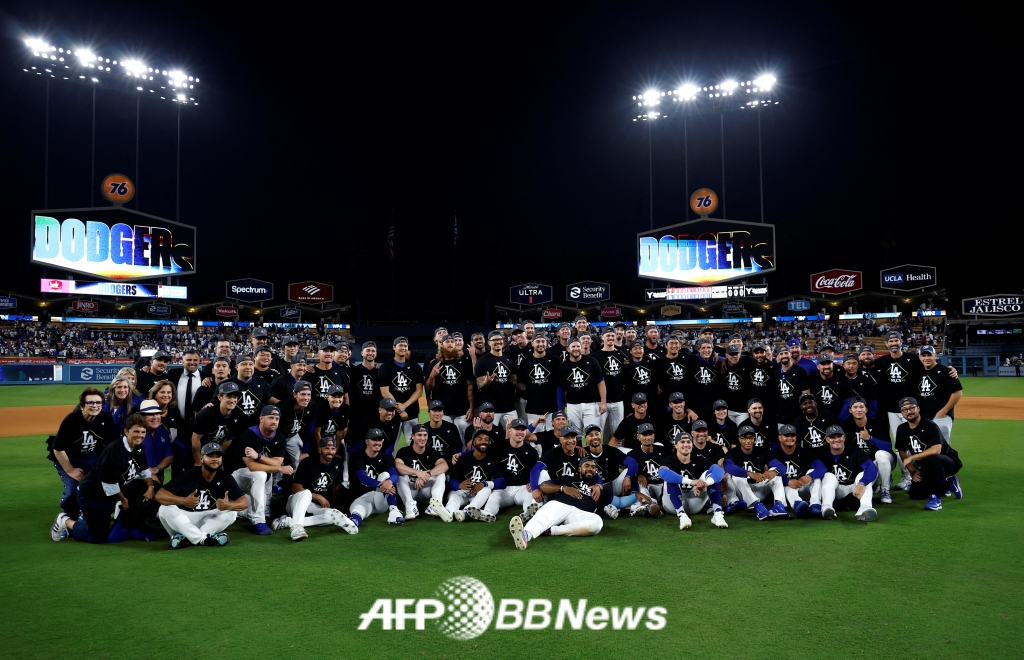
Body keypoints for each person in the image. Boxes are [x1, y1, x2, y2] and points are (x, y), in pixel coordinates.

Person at [53, 414, 155, 544]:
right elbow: (109, 483)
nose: (140, 435)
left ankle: (129, 521)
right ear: (126, 431)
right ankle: (66, 521)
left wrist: (150, 487)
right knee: (99, 537)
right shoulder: (114, 450)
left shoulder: (138, 446)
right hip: (93, 495)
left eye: (142, 432)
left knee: (149, 486)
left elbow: (144, 471)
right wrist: (124, 500)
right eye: (136, 431)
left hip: (111, 492)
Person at [155, 442, 248, 548]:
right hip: (184, 518)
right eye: (210, 456)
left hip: (208, 520)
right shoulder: (187, 475)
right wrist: (183, 501)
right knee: (164, 509)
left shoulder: (226, 478)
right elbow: (159, 495)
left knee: (232, 512)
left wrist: (229, 506)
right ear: (201, 459)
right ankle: (203, 538)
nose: (215, 459)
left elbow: (244, 502)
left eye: (218, 456)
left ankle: (187, 538)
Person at [51, 387, 117, 524]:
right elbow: (57, 448)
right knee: (72, 490)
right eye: (90, 403)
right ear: (82, 406)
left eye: (98, 403)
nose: (95, 406)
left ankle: (94, 513)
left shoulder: (105, 418)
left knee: (103, 484)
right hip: (69, 458)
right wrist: (70, 470)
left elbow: (112, 444)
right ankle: (67, 518)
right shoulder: (72, 420)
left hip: (92, 457)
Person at [271, 437, 359, 540]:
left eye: (333, 449)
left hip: (315, 507)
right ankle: (297, 527)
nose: (330, 452)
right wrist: (317, 496)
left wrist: (334, 505)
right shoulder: (307, 463)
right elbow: (295, 488)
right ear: (319, 449)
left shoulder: (338, 464)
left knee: (331, 516)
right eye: (326, 448)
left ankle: (287, 522)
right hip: (296, 503)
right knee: (307, 493)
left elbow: (336, 487)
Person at [509, 454, 603, 549]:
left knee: (597, 522)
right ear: (579, 469)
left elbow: (618, 502)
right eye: (587, 465)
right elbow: (543, 486)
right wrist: (562, 488)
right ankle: (525, 535)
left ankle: (551, 531)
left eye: (593, 467)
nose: (590, 468)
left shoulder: (599, 490)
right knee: (543, 517)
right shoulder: (568, 479)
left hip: (580, 514)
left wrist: (599, 486)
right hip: (560, 504)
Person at [228, 404, 294, 535]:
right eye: (270, 418)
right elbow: (252, 467)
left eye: (276, 419)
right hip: (239, 478)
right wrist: (279, 468)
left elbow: (277, 462)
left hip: (260, 482)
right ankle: (259, 521)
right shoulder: (249, 435)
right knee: (261, 474)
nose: (274, 421)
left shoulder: (279, 437)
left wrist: (258, 456)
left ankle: (235, 509)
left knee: (260, 503)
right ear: (261, 418)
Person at [894, 397, 963, 510]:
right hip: (927, 466)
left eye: (912, 408)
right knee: (915, 494)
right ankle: (949, 484)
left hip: (948, 462)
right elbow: (901, 450)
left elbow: (936, 450)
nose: (909, 411)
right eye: (905, 409)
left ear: (918, 408)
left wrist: (912, 458)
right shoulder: (902, 429)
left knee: (933, 458)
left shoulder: (929, 425)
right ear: (902, 413)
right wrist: (913, 472)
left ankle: (935, 499)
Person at [658, 432, 728, 529]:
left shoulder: (699, 459)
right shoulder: (669, 460)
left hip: (695, 500)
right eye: (682, 442)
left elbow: (719, 471)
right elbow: (662, 473)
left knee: (710, 474)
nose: (686, 445)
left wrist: (705, 484)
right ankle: (682, 516)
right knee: (670, 478)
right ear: (676, 445)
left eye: (688, 442)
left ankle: (717, 514)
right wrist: (691, 482)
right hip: (672, 506)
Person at [723, 425, 788, 520]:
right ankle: (757, 505)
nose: (748, 441)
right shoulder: (733, 452)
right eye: (744, 438)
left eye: (751, 438)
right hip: (743, 491)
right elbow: (728, 467)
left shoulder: (761, 451)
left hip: (760, 487)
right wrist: (748, 473)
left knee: (776, 473)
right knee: (734, 476)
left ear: (754, 439)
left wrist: (775, 471)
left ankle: (778, 505)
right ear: (739, 439)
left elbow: (782, 467)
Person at [481, 418, 539, 522]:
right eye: (517, 429)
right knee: (494, 497)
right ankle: (487, 514)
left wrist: (534, 483)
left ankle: (527, 514)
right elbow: (481, 451)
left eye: (523, 430)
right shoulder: (499, 446)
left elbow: (536, 471)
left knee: (530, 496)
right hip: (504, 488)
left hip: (522, 488)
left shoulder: (531, 451)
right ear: (509, 431)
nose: (520, 432)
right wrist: (461, 454)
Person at [443, 429, 505, 522]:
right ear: (474, 442)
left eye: (486, 439)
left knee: (487, 489)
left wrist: (484, 484)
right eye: (479, 439)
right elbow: (452, 482)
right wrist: (459, 485)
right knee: (454, 496)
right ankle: (448, 512)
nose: (483, 441)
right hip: (463, 491)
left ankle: (467, 511)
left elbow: (501, 482)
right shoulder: (462, 459)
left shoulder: (492, 460)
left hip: (479, 493)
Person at [819, 425, 878, 521]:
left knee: (863, 475)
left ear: (844, 437)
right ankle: (827, 506)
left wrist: (862, 483)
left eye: (839, 436)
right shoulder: (822, 454)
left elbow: (872, 467)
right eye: (832, 437)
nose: (836, 440)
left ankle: (865, 508)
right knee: (828, 476)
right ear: (827, 440)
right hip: (835, 490)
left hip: (854, 489)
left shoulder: (855, 451)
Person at [842, 397, 895, 504]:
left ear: (866, 409)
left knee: (880, 455)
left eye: (861, 407)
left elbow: (888, 447)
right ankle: (875, 482)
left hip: (884, 460)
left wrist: (870, 438)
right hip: (863, 463)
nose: (858, 410)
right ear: (850, 410)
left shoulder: (877, 424)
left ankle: (885, 490)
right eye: (855, 407)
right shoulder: (846, 426)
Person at [348, 428, 405, 526]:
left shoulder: (386, 457)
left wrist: (389, 482)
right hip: (362, 495)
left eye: (379, 440)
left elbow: (394, 475)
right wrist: (383, 485)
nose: (377, 443)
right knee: (359, 509)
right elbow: (362, 477)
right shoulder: (356, 457)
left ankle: (393, 511)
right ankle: (353, 522)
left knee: (386, 476)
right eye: (374, 440)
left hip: (381, 499)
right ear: (366, 441)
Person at [394, 424, 451, 521]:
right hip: (410, 491)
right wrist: (418, 473)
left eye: (425, 435)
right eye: (419, 435)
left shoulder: (432, 451)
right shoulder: (404, 451)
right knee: (399, 474)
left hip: (426, 491)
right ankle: (410, 506)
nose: (422, 438)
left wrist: (428, 474)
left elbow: (444, 465)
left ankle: (435, 504)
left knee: (440, 473)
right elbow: (398, 466)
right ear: (412, 436)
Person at [582, 423, 638, 519]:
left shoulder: (610, 450)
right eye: (590, 435)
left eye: (597, 434)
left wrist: (627, 477)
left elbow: (632, 462)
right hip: (593, 489)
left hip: (613, 485)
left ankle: (636, 503)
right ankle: (608, 506)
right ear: (586, 439)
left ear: (601, 436)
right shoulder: (582, 452)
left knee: (632, 470)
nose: (594, 437)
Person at [425, 334, 475, 438]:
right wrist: (431, 376)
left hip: (462, 410)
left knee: (464, 439)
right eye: (447, 342)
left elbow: (470, 386)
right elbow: (428, 388)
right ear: (441, 345)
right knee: (445, 440)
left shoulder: (464, 363)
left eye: (452, 342)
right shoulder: (435, 363)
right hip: (443, 410)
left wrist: (471, 407)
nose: (451, 344)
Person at [770, 424, 826, 518]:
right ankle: (797, 505)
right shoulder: (775, 455)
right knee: (781, 480)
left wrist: (809, 476)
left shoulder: (803, 452)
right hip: (786, 490)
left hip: (801, 485)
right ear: (780, 437)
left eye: (792, 435)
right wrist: (788, 481)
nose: (790, 438)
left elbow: (822, 467)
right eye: (787, 435)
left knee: (813, 473)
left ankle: (815, 505)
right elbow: (773, 476)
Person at [378, 336, 424, 444]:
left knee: (413, 445)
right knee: (390, 445)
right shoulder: (386, 367)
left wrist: (404, 406)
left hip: (411, 413)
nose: (403, 348)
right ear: (394, 347)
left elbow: (419, 391)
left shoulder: (415, 367)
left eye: (405, 346)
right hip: (391, 414)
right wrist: (399, 409)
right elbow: (384, 391)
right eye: (400, 345)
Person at [556, 336, 607, 432]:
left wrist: (603, 401)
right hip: (572, 405)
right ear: (568, 349)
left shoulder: (592, 361)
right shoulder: (563, 366)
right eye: (573, 347)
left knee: (592, 432)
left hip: (592, 403)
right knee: (575, 435)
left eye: (578, 346)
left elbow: (600, 381)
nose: (576, 349)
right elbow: (561, 388)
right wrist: (560, 408)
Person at [915, 345, 963, 445]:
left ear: (935, 356)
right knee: (924, 446)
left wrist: (943, 411)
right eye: (923, 355)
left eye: (929, 355)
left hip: (941, 416)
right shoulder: (917, 372)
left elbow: (958, 393)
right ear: (919, 357)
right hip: (923, 416)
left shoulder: (946, 371)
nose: (926, 358)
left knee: (943, 447)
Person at [190, 381, 246, 465]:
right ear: (219, 397)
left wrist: (217, 458)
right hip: (194, 448)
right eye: (228, 396)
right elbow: (195, 439)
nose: (232, 400)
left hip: (215, 447)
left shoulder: (239, 415)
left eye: (235, 397)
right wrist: (198, 461)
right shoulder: (206, 413)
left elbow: (228, 439)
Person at [475, 330, 518, 428]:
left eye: (499, 339)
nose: (498, 342)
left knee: (513, 435)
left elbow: (514, 382)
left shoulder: (509, 360)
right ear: (489, 342)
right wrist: (486, 382)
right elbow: (479, 385)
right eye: (494, 340)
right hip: (491, 408)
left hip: (509, 407)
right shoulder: (483, 361)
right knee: (491, 437)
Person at [517, 334, 558, 433]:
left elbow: (559, 383)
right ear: (532, 343)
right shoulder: (525, 362)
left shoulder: (555, 360)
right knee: (534, 439)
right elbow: (520, 382)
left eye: (543, 341)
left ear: (547, 343)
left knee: (553, 437)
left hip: (552, 407)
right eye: (538, 341)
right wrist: (530, 391)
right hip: (533, 408)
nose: (541, 344)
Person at [627, 422, 669, 517]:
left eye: (650, 434)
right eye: (644, 434)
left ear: (654, 436)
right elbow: (626, 470)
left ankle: (646, 507)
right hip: (647, 486)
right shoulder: (633, 454)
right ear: (638, 437)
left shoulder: (663, 451)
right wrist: (638, 474)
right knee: (640, 483)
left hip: (662, 485)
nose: (648, 437)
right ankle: (652, 506)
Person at [596, 328, 627, 438]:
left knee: (618, 432)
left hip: (618, 399)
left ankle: (617, 454)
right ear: (602, 337)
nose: (610, 338)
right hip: (600, 401)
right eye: (608, 335)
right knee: (600, 432)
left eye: (612, 335)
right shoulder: (596, 356)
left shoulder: (621, 355)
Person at [279, 380, 318, 467]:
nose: (306, 398)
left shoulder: (312, 405)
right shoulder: (283, 407)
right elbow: (273, 431)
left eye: (308, 394)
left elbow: (310, 430)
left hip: (292, 436)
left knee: (300, 461)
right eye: (303, 394)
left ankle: (298, 480)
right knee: (277, 464)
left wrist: (304, 451)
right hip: (278, 437)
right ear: (294, 395)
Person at [684, 338, 721, 423]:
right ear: (698, 350)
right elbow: (687, 386)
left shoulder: (717, 363)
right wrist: (688, 409)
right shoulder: (691, 361)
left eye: (709, 347)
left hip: (713, 407)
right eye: (703, 348)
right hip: (697, 407)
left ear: (712, 349)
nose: (706, 350)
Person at [137, 399, 174, 486]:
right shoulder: (136, 433)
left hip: (158, 475)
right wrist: (148, 473)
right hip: (137, 476)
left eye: (157, 414)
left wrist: (157, 468)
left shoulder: (163, 432)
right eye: (150, 414)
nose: (155, 417)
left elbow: (169, 455)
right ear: (142, 417)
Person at [772, 345, 811, 426]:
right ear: (778, 356)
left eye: (786, 353)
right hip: (781, 414)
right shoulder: (775, 372)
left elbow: (806, 393)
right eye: (781, 354)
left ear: (790, 354)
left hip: (797, 414)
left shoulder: (800, 371)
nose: (784, 356)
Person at [232, 354, 273, 426]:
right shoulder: (228, 383)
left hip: (255, 427)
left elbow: (269, 399)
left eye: (251, 364)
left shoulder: (261, 382)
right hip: (233, 427)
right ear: (237, 367)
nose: (248, 367)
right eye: (244, 364)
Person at [719, 344, 754, 425]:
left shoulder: (746, 362)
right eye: (731, 354)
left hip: (743, 410)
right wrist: (723, 360)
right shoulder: (721, 366)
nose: (734, 356)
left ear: (740, 354)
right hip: (728, 409)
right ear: (726, 355)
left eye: (736, 354)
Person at [349, 341, 380, 426]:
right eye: (368, 350)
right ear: (362, 353)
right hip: (356, 414)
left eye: (373, 351)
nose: (370, 353)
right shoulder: (353, 371)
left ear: (376, 354)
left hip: (375, 414)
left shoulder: (381, 372)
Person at [622, 340, 658, 410]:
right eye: (635, 349)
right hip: (634, 403)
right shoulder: (626, 367)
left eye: (640, 348)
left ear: (643, 350)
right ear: (630, 351)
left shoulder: (651, 364)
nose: (638, 351)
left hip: (650, 401)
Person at [841, 353, 879, 418]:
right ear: (843, 365)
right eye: (848, 363)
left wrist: (871, 418)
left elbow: (873, 400)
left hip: (861, 416)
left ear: (858, 365)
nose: (851, 366)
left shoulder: (865, 380)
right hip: (842, 417)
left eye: (854, 363)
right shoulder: (839, 380)